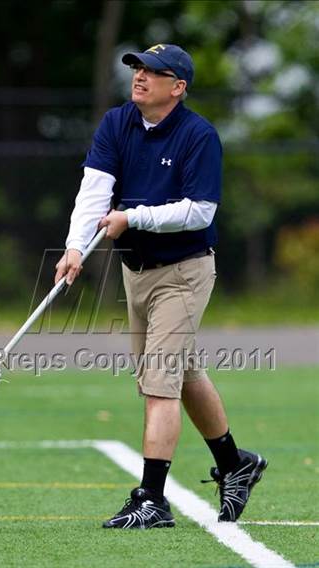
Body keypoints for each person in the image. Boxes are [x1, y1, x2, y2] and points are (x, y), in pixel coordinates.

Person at [55, 43, 267, 528]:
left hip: (184, 271)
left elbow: (200, 211)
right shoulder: (117, 122)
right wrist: (73, 246)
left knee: (159, 384)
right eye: (136, 68)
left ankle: (151, 498)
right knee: (182, 375)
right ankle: (236, 464)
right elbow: (94, 188)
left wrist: (133, 217)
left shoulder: (199, 136)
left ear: (178, 87)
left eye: (154, 72)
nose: (140, 77)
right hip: (137, 272)